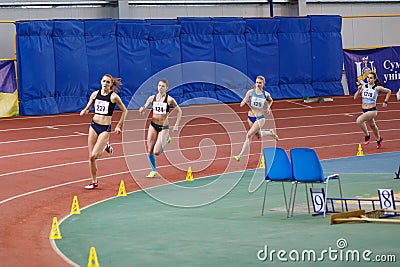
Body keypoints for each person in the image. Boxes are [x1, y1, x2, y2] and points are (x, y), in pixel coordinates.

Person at [80, 74, 128, 189]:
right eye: (104, 81)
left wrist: (119, 125)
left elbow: (125, 110)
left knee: (95, 155)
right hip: (94, 126)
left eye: (108, 82)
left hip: (105, 129)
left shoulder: (114, 97)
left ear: (111, 84)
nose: (105, 84)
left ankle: (105, 146)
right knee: (91, 157)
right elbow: (90, 103)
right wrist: (85, 110)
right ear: (101, 82)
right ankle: (94, 181)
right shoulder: (95, 94)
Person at [139, 79, 182, 178]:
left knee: (156, 152)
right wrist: (142, 109)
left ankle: (166, 138)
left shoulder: (169, 99)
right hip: (153, 125)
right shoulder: (152, 98)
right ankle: (153, 170)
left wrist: (176, 125)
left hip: (164, 127)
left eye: (163, 86)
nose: (160, 87)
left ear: (166, 88)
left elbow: (179, 111)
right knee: (149, 150)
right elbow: (145, 107)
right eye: (159, 85)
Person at [233, 75, 279, 162]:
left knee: (249, 135)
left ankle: (240, 156)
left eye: (260, 83)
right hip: (250, 117)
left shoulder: (266, 94)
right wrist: (243, 102)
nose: (258, 84)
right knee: (258, 135)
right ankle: (270, 133)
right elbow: (243, 101)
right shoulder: (250, 92)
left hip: (260, 118)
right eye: (257, 82)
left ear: (263, 84)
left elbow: (270, 100)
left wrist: (268, 107)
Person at [354, 72, 391, 149]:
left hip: (372, 110)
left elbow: (388, 91)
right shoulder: (364, 86)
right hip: (364, 110)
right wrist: (358, 90)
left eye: (371, 78)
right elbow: (355, 97)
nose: (369, 79)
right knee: (373, 126)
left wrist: (385, 101)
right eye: (368, 77)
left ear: (374, 79)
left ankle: (367, 135)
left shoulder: (377, 88)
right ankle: (378, 139)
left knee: (359, 120)